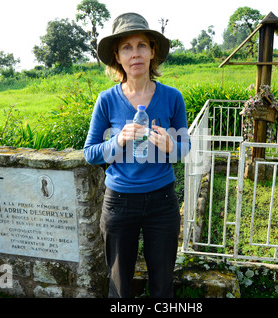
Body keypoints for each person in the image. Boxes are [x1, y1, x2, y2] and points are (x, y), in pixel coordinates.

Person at [83, 12, 190, 298]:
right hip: (119, 204)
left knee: (163, 283)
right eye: (127, 48)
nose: (135, 54)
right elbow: (90, 153)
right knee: (119, 286)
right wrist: (118, 141)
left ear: (153, 51)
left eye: (142, 45)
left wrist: (171, 147)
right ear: (117, 57)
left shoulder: (172, 97)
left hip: (162, 201)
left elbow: (185, 149)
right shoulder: (106, 100)